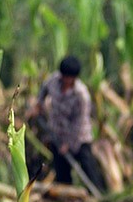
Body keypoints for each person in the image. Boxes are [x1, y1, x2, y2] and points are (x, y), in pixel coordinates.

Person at [30, 56, 105, 192]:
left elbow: (80, 122)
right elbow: (44, 89)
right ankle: (67, 197)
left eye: (69, 78)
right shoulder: (53, 81)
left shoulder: (81, 94)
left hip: (79, 138)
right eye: (64, 76)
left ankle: (98, 195)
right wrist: (38, 104)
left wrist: (68, 144)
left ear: (74, 78)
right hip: (57, 134)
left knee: (88, 168)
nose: (66, 80)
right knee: (62, 171)